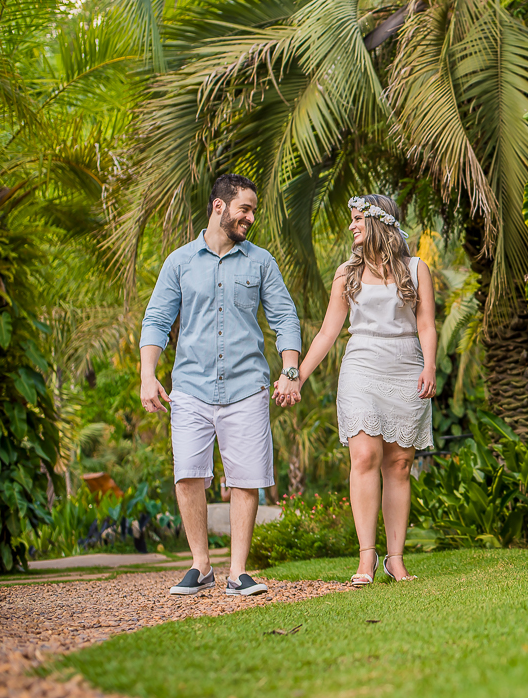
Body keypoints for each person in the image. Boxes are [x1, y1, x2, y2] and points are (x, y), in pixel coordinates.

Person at [140, 174, 303, 597]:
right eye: (244, 209)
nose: (251, 217)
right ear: (219, 207)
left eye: (253, 210)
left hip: (247, 386)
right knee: (189, 473)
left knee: (247, 477)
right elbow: (156, 319)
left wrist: (289, 370)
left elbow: (284, 317)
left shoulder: (261, 262)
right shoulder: (179, 262)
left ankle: (237, 572)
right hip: (191, 385)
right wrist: (147, 375)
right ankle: (200, 565)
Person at [289, 194, 435, 585]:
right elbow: (326, 333)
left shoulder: (416, 269)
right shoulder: (346, 274)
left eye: (357, 218)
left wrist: (431, 365)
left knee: (399, 465)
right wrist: (297, 375)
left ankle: (396, 559)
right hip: (362, 366)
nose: (351, 226)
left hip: (406, 365)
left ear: (378, 220)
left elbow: (426, 326)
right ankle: (365, 559)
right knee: (366, 456)